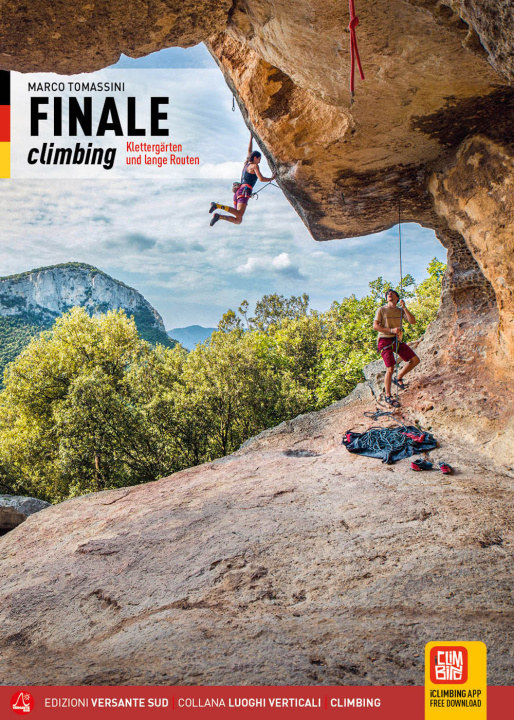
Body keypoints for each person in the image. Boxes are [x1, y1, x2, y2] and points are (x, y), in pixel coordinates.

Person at [209, 135, 276, 227]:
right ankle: (217, 206)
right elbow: (261, 179)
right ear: (255, 158)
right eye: (259, 159)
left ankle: (219, 217)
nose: (259, 162)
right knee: (240, 214)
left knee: (238, 220)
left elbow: (249, 151)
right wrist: (271, 178)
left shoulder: (246, 164)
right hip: (244, 191)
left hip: (238, 192)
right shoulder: (254, 166)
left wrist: (251, 138)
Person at [373, 289, 419, 406]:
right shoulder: (382, 310)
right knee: (390, 367)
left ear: (397, 298)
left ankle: (398, 378)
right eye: (388, 294)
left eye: (392, 293)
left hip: (396, 340)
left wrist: (404, 307)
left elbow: (412, 321)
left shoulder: (400, 311)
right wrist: (391, 330)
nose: (389, 294)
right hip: (384, 340)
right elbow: (375, 326)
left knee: (415, 360)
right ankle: (388, 396)